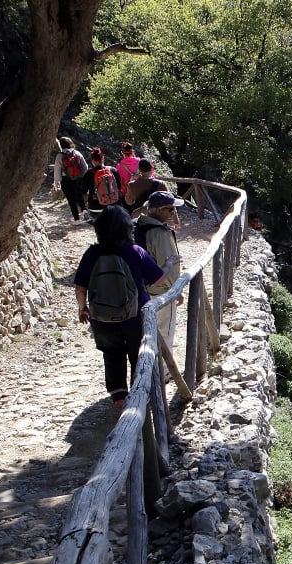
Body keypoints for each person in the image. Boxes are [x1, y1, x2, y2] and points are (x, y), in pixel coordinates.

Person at [73, 206, 166, 410]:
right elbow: (158, 278)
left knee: (111, 353)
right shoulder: (135, 252)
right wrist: (169, 265)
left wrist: (83, 308)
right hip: (136, 315)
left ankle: (118, 396)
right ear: (127, 228)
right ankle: (139, 393)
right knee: (138, 353)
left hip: (101, 318)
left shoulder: (91, 254)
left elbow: (81, 286)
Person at [134, 191, 186, 347]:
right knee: (164, 333)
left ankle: (145, 367)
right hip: (160, 291)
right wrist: (175, 290)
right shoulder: (160, 233)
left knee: (145, 333)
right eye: (170, 209)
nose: (173, 213)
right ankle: (165, 370)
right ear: (158, 210)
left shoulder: (137, 226)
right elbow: (168, 264)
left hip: (138, 290)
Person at [56, 137, 88, 222]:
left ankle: (77, 219)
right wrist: (80, 175)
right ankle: (85, 211)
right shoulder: (77, 153)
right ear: (70, 143)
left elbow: (57, 171)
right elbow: (85, 167)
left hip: (65, 179)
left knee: (71, 199)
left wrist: (57, 183)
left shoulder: (60, 156)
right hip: (78, 178)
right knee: (79, 195)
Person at [84, 148, 123, 212]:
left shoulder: (88, 174)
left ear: (92, 160)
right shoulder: (113, 170)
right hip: (115, 205)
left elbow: (83, 190)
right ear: (103, 158)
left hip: (96, 208)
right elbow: (118, 187)